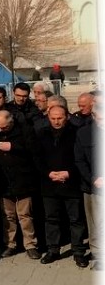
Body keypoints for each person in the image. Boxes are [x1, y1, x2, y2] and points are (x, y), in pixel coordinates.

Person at [35, 105, 88, 266]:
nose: (56, 121)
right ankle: (53, 250)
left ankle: (78, 251)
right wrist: (48, 173)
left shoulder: (76, 133)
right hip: (49, 184)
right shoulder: (41, 134)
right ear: (48, 118)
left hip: (71, 183)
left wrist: (68, 173)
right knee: (51, 219)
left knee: (76, 219)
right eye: (53, 118)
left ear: (67, 117)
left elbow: (80, 157)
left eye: (60, 118)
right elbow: (37, 159)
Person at [0, 110, 40, 259]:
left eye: (3, 127)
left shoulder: (25, 130)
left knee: (25, 215)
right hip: (2, 180)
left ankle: (30, 244)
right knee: (7, 215)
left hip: (23, 179)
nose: (0, 130)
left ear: (11, 123)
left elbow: (33, 151)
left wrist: (12, 147)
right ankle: (10, 244)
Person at [74, 101, 102, 269]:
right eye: (100, 119)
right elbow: (80, 160)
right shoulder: (83, 133)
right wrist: (93, 179)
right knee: (95, 222)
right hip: (92, 186)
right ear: (93, 116)